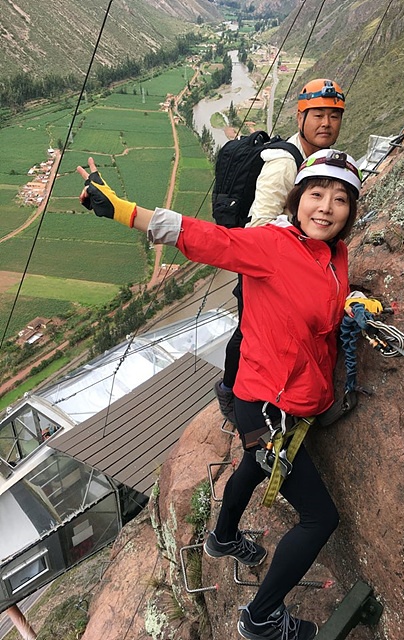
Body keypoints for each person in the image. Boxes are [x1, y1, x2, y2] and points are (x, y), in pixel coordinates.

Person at [77, 146, 362, 640]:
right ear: (296, 200)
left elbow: (321, 303)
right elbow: (205, 238)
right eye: (316, 194)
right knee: (319, 517)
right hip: (269, 403)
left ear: (349, 212)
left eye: (340, 199)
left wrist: (352, 304)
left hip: (284, 398)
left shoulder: (334, 255)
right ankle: (261, 618)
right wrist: (125, 211)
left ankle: (222, 538)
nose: (325, 207)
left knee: (253, 466)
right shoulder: (271, 246)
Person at [215, 78, 346, 426]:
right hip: (265, 264)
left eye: (333, 117)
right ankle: (230, 393)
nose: (326, 124)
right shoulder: (285, 164)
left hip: (286, 263)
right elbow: (258, 225)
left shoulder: (311, 159)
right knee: (247, 329)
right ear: (300, 117)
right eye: (317, 115)